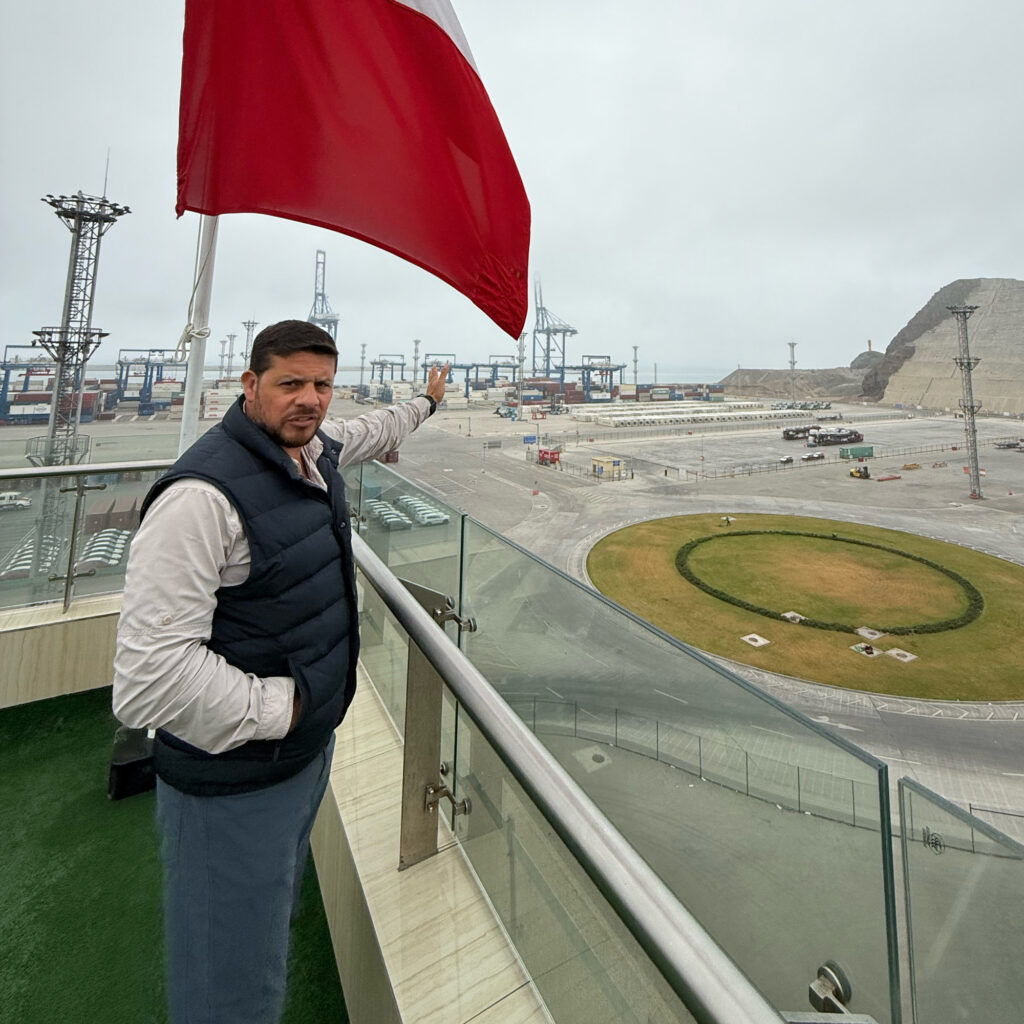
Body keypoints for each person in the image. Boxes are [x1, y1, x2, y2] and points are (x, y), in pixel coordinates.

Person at [112, 319, 449, 1024]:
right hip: (233, 782)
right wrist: (288, 709)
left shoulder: (315, 449)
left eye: (322, 385)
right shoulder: (201, 498)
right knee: (229, 990)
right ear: (249, 385)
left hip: (296, 763)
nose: (310, 400)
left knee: (264, 935)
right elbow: (149, 680)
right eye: (291, 383)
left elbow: (373, 429)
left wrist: (427, 403)